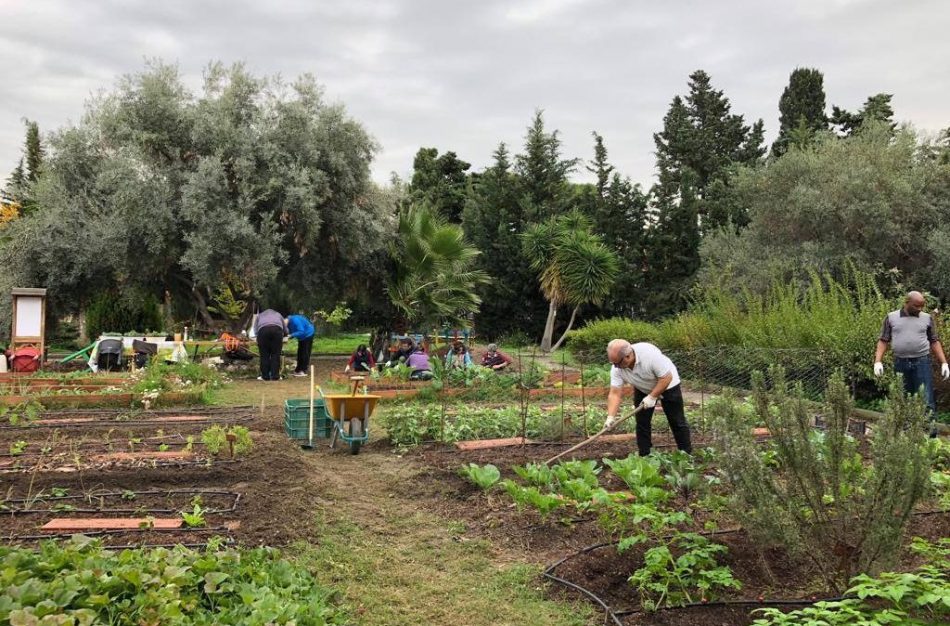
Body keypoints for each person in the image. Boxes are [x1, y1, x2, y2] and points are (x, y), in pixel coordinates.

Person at [874, 291, 949, 434]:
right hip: (900, 363)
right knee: (902, 398)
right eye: (917, 306)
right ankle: (905, 435)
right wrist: (878, 361)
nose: (920, 309)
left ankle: (930, 437)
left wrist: (944, 363)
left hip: (922, 363)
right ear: (907, 302)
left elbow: (934, 341)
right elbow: (883, 340)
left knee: (926, 399)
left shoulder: (927, 318)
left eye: (922, 306)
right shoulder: (891, 317)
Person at [604, 339, 692, 456]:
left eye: (617, 363)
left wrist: (652, 397)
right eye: (613, 363)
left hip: (668, 384)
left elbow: (666, 378)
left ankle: (686, 454)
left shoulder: (650, 356)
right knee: (642, 423)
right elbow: (615, 393)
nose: (615, 367)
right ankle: (645, 455)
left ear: (628, 356)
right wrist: (610, 417)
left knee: (677, 421)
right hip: (643, 387)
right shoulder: (617, 367)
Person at [254, 308, 285, 381]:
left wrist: (257, 336)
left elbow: (255, 329)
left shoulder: (260, 315)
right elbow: (284, 328)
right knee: (275, 354)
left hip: (263, 331)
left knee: (264, 355)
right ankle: (275, 376)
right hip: (277, 331)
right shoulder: (278, 314)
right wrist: (285, 334)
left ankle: (265, 376)